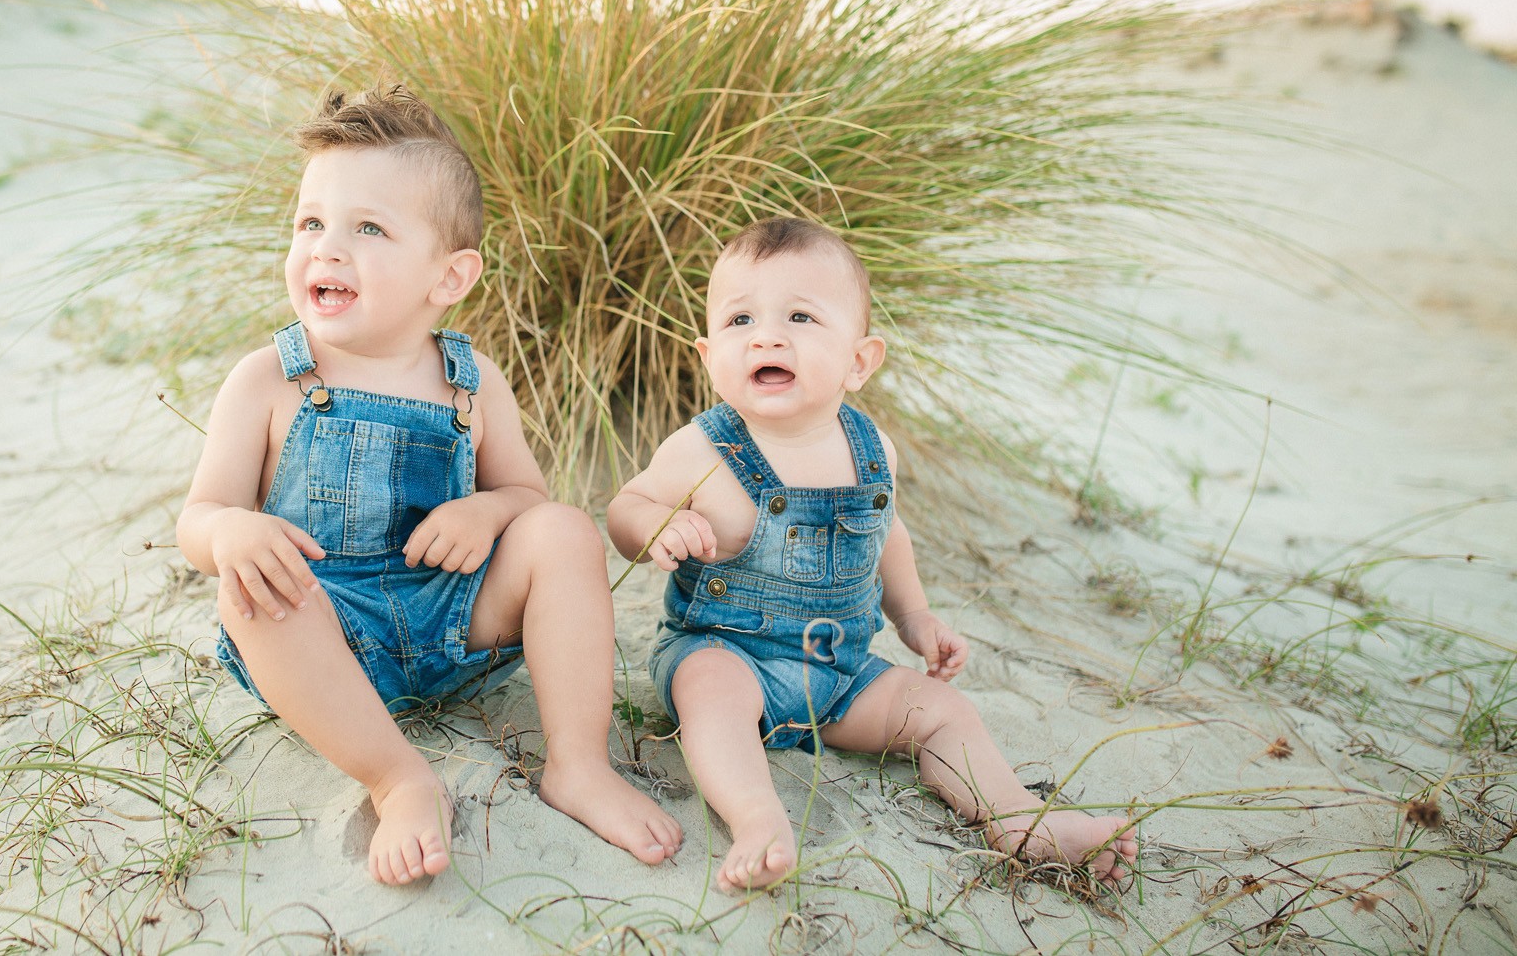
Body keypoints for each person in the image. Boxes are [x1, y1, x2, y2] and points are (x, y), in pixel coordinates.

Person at [176, 84, 682, 886]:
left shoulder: (470, 381)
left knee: (563, 530)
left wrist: (487, 510)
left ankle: (579, 764)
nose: (326, 249)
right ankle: (397, 777)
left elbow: (527, 496)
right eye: (311, 223)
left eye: (368, 228)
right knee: (250, 595)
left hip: (450, 621)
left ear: (449, 276)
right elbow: (199, 518)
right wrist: (230, 531)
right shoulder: (268, 379)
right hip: (324, 638)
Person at [606, 216, 1136, 893]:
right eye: (741, 320)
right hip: (727, 651)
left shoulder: (871, 449)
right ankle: (757, 817)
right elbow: (626, 506)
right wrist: (656, 523)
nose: (766, 336)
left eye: (800, 316)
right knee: (710, 692)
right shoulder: (700, 450)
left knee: (940, 709)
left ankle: (1012, 815)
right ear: (709, 356)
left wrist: (914, 616)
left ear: (859, 361)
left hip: (841, 676)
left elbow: (889, 535)